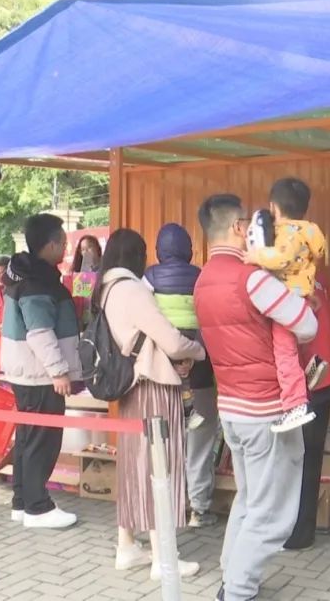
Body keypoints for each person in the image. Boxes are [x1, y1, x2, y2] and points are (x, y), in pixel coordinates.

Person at [194, 193, 318, 601]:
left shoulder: (203, 280)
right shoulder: (252, 278)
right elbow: (306, 324)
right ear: (237, 227)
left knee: (249, 501)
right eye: (246, 222)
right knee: (271, 513)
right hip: (267, 412)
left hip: (232, 409)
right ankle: (238, 590)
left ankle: (231, 576)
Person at [99, 229, 206, 579]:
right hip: (155, 385)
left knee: (134, 466)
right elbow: (171, 341)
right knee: (162, 466)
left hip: (131, 389)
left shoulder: (108, 288)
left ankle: (127, 546)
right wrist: (197, 351)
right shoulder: (134, 290)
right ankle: (164, 559)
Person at [1, 213, 83, 529]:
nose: (65, 247)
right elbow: (39, 332)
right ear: (49, 245)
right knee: (41, 440)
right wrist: (59, 371)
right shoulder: (38, 282)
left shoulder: (24, 275)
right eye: (62, 242)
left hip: (28, 372)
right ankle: (38, 507)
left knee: (27, 438)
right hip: (40, 375)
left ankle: (23, 501)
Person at [142, 222, 220, 528]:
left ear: (159, 251)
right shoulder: (201, 277)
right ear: (189, 250)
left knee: (164, 443)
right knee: (199, 443)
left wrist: (171, 356)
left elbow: (146, 324)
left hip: (161, 374)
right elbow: (210, 322)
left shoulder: (148, 278)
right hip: (199, 371)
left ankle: (168, 507)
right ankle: (198, 509)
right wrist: (192, 354)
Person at [244, 177, 327, 433]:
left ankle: (295, 405)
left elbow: (282, 258)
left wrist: (256, 255)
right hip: (301, 295)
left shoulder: (288, 233)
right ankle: (311, 368)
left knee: (284, 352)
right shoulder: (309, 231)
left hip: (286, 299)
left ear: (274, 208)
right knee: (293, 344)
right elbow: (317, 254)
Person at [284, 270, 330, 551]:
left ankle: (298, 531)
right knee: (309, 457)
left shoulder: (287, 280)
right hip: (323, 374)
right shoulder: (315, 275)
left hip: (305, 377)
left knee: (299, 457)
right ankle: (301, 529)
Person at [67, 235, 103, 329]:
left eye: (89, 247)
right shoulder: (80, 273)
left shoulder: (105, 268)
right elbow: (81, 299)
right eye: (83, 249)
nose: (86, 252)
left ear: (97, 248)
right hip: (87, 320)